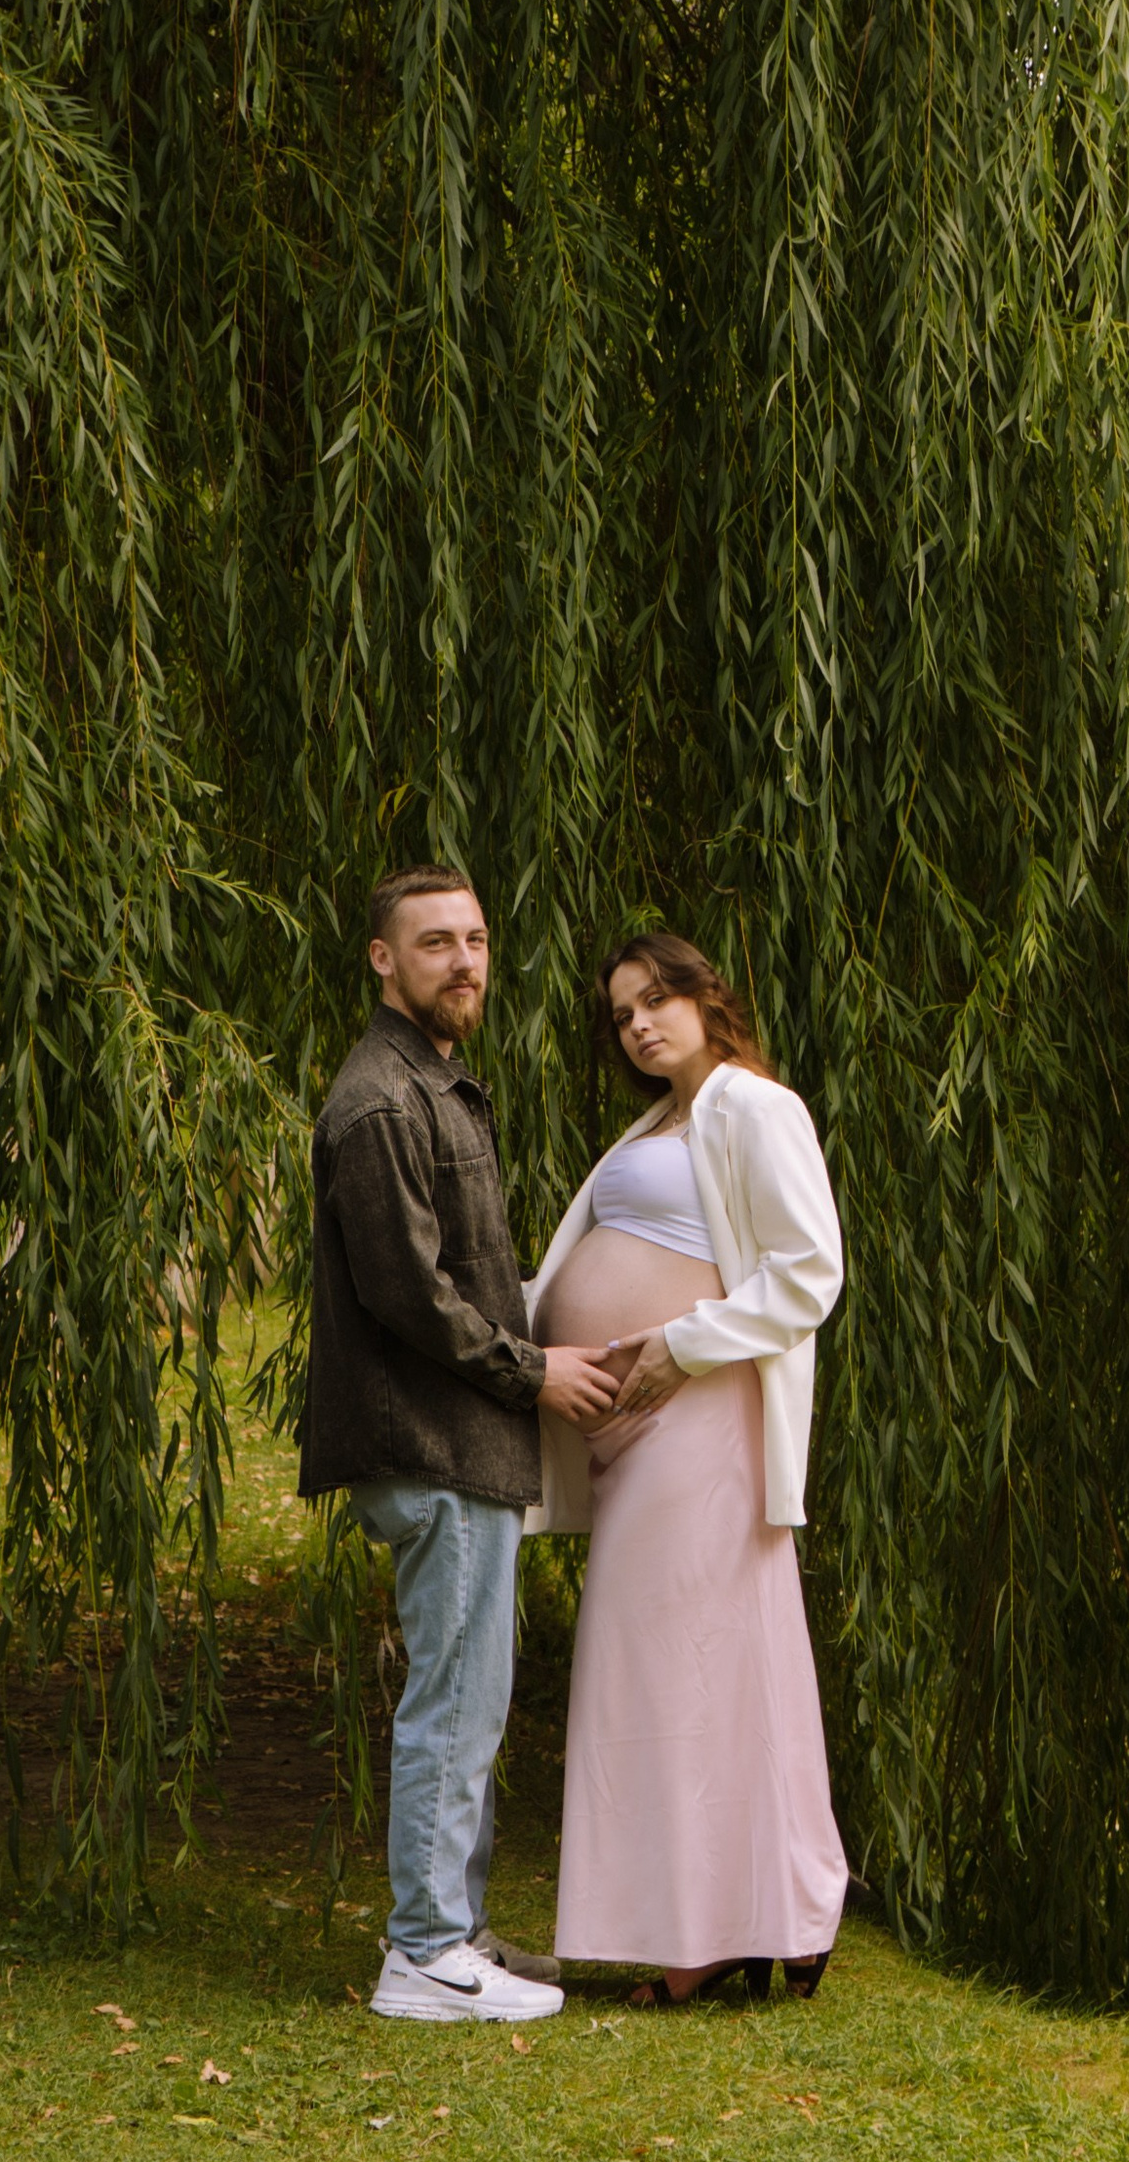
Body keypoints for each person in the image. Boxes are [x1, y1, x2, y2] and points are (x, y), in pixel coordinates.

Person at [300, 865, 618, 2022]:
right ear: (383, 959)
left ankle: (460, 1935)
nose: (465, 961)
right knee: (453, 1700)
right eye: (436, 942)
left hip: (461, 1443)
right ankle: (425, 1955)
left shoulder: (433, 1085)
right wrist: (535, 1370)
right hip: (432, 1443)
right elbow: (408, 1295)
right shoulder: (383, 1103)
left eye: (476, 939)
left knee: (475, 1694)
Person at [528, 932, 849, 1999]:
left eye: (657, 1000)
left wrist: (682, 1342)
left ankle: (717, 1935)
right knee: (677, 1662)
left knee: (683, 1662)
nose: (638, 1024)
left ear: (708, 999)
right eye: (622, 1013)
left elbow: (809, 1272)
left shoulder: (755, 1107)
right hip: (634, 1429)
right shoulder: (658, 1122)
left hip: (700, 1414)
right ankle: (753, 1918)